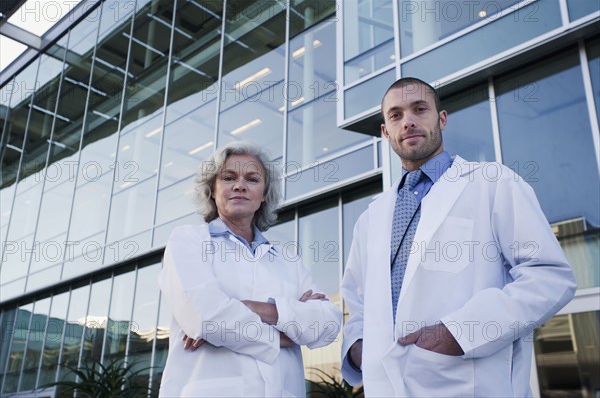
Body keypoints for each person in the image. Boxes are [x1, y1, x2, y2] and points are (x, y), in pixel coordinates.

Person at [341, 77, 576, 397]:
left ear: (441, 118)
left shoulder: (493, 184)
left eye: (419, 109)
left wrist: (459, 333)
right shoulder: (371, 218)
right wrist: (358, 348)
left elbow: (549, 275)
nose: (408, 121)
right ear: (385, 131)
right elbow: (356, 302)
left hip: (470, 383)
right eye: (395, 115)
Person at [158, 141, 342, 397]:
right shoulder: (187, 241)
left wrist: (243, 307)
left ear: (264, 194)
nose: (240, 185)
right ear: (212, 189)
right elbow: (206, 318)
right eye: (229, 177)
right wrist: (290, 332)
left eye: (252, 179)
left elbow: (328, 324)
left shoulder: (287, 258)